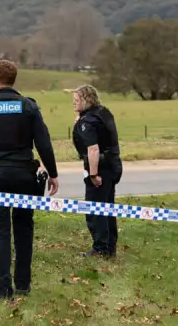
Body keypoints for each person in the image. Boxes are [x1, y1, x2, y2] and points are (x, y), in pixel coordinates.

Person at [0, 60, 60, 301]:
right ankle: (23, 284)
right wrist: (53, 173)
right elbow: (44, 143)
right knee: (23, 228)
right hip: (24, 176)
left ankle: (3, 290)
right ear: (13, 80)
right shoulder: (28, 106)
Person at [71, 84, 123, 259]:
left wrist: (93, 174)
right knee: (108, 208)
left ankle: (100, 249)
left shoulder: (88, 121)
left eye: (77, 100)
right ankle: (109, 248)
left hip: (100, 169)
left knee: (95, 210)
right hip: (113, 165)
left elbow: (93, 149)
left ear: (86, 100)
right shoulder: (103, 112)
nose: (74, 104)